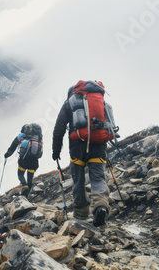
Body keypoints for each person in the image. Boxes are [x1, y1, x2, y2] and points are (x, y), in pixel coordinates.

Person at [52, 80, 118, 227]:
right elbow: (112, 127)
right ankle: (100, 205)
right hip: (99, 146)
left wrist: (56, 152)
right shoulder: (103, 103)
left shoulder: (69, 104)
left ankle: (81, 212)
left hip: (78, 148)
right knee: (98, 178)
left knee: (78, 179)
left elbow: (58, 130)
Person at [4, 123, 43, 196]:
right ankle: (27, 194)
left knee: (20, 174)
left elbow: (13, 147)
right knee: (30, 177)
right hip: (34, 162)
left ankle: (24, 185)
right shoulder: (38, 138)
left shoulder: (21, 137)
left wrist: (7, 155)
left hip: (23, 161)